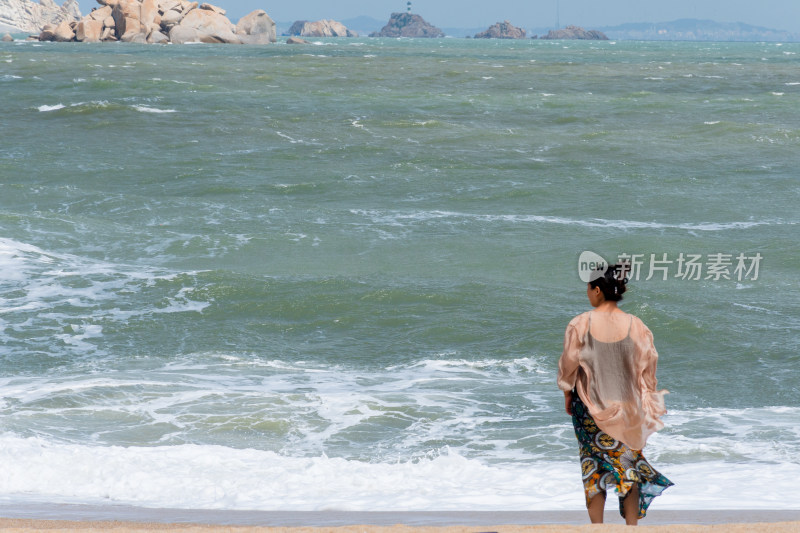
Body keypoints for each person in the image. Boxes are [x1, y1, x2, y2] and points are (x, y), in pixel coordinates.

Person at [557, 263, 673, 525]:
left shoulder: (580, 323)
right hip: (628, 407)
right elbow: (648, 366)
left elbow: (569, 365)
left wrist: (566, 391)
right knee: (628, 464)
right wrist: (648, 398)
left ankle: (597, 528)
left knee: (592, 465)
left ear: (597, 290)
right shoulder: (636, 325)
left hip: (588, 407)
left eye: (588, 288)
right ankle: (631, 527)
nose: (587, 293)